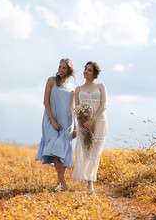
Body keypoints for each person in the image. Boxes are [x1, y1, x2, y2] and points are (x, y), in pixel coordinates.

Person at [35, 58, 76, 191]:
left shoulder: (73, 87)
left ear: (69, 70)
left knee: (61, 152)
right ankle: (63, 182)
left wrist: (75, 125)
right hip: (50, 120)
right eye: (60, 67)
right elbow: (45, 102)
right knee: (55, 150)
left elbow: (73, 108)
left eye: (64, 68)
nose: (60, 70)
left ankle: (59, 183)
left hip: (66, 123)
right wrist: (52, 120)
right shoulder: (51, 81)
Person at [72, 61, 107, 191]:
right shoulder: (78, 89)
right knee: (84, 150)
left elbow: (104, 105)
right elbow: (77, 108)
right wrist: (80, 125)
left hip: (99, 122)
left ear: (95, 73)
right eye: (85, 69)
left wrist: (92, 120)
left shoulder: (101, 86)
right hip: (83, 123)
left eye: (89, 70)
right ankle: (85, 178)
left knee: (94, 152)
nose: (86, 72)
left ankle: (90, 183)